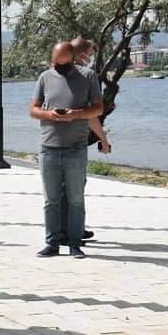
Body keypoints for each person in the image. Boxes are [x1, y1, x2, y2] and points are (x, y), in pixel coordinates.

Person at [30, 41, 103, 258]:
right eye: (56, 64)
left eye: (63, 64)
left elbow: (98, 108)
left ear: (73, 58)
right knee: (51, 200)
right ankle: (52, 244)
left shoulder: (88, 77)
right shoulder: (45, 77)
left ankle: (75, 244)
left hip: (76, 148)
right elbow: (33, 109)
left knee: (76, 199)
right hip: (49, 148)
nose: (59, 68)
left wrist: (76, 114)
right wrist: (49, 115)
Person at [72, 36, 107, 243]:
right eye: (91, 55)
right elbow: (92, 114)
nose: (91, 59)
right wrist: (103, 138)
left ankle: (67, 229)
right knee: (75, 188)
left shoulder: (52, 74)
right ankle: (73, 229)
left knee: (63, 190)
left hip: (54, 141)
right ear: (83, 54)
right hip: (75, 142)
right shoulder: (85, 77)